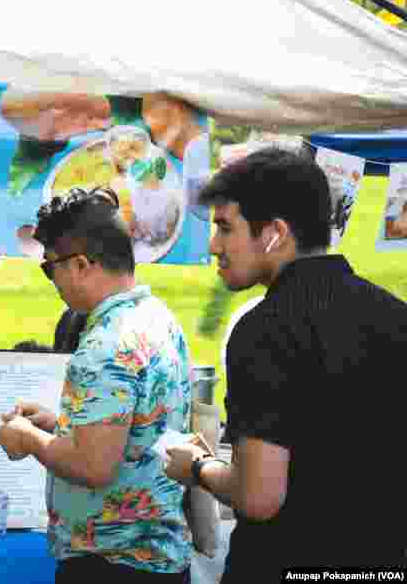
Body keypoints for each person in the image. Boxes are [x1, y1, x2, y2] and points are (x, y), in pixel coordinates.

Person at [164, 147, 407, 579]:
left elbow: (258, 496)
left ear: (275, 232)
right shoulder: (395, 314)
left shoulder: (265, 329)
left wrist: (199, 467)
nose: (213, 245)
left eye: (225, 227)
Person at [0, 187, 193, 582]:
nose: (51, 280)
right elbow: (133, 432)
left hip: (110, 562)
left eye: (50, 267)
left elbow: (93, 465)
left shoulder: (106, 343)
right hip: (157, 556)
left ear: (82, 265)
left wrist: (29, 439)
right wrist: (59, 426)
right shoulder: (157, 317)